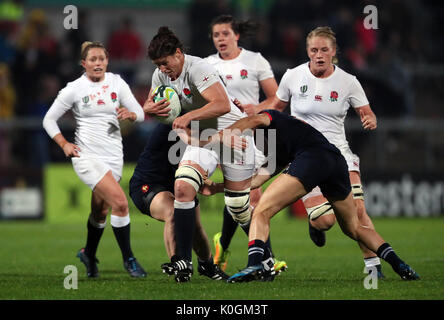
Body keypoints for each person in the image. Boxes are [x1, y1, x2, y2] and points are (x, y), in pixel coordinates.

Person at [220, 110, 419, 282]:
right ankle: (400, 264)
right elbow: (254, 181)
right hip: (335, 161)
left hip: (313, 158)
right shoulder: (280, 150)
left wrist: (226, 134)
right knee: (354, 227)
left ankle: (255, 264)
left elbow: (252, 120)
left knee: (261, 212)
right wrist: (218, 187)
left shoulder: (270, 118)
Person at [251, 26, 385, 277]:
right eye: (314, 50)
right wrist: (253, 113)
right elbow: (276, 108)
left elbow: (367, 112)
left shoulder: (348, 81)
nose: (319, 54)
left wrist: (370, 119)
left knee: (357, 210)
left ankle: (373, 267)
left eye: (324, 50)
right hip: (305, 155)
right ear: (307, 51)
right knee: (325, 221)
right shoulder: (293, 76)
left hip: (339, 154)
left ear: (334, 52)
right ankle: (316, 226)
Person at [143, 26, 272, 282]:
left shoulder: (198, 67)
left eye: (165, 62)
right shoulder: (161, 75)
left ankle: (265, 260)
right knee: (182, 187)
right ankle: (182, 260)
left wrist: (188, 116)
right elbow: (150, 103)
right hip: (203, 139)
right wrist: (149, 107)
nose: (162, 68)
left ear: (178, 53)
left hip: (233, 134)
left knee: (238, 206)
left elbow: (222, 105)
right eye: (158, 64)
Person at [42, 41, 146, 278]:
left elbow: (139, 112)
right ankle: (129, 259)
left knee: (100, 212)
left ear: (107, 61)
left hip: (113, 155)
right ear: (84, 63)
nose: (98, 63)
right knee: (120, 203)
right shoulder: (74, 88)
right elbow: (48, 120)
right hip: (86, 155)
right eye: (93, 60)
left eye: (102, 59)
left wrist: (131, 114)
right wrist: (64, 143)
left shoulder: (117, 83)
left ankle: (88, 253)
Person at [204, 14, 286, 273]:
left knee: (240, 197)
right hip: (223, 137)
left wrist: (256, 108)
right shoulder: (206, 65)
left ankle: (223, 245)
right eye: (216, 35)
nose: (221, 39)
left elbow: (276, 98)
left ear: (236, 35)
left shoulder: (254, 60)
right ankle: (267, 259)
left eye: (225, 34)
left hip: (251, 137)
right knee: (248, 197)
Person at [129, 122, 228, 282]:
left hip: (178, 183)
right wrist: (220, 138)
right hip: (148, 184)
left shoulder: (200, 124)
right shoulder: (176, 120)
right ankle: (179, 262)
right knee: (174, 213)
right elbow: (190, 139)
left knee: (194, 227)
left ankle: (207, 266)